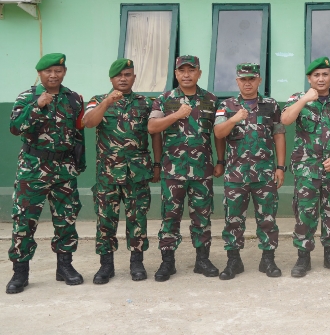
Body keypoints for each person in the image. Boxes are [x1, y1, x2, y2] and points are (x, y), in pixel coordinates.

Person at [6, 53, 85, 294]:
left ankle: (65, 267)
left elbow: (78, 135)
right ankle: (20, 273)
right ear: (40, 73)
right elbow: (14, 127)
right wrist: (38, 106)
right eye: (48, 71)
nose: (53, 75)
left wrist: (78, 164)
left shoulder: (73, 99)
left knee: (67, 219)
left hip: (64, 170)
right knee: (24, 220)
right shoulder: (27, 97)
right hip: (33, 169)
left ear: (64, 72)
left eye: (58, 71)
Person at [83, 58, 162, 284]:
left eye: (128, 75)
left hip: (137, 174)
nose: (123, 79)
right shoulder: (97, 100)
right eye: (119, 75)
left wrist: (157, 164)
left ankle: (136, 263)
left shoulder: (146, 103)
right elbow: (89, 122)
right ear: (111, 79)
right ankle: (106, 265)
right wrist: (107, 102)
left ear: (134, 77)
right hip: (108, 174)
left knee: (138, 218)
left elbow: (156, 134)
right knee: (105, 219)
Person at [148, 55, 224, 281]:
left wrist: (220, 160)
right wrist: (176, 115)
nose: (187, 74)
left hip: (202, 170)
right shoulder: (164, 99)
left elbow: (217, 134)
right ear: (176, 73)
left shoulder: (211, 100)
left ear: (199, 73)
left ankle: (202, 260)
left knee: (202, 216)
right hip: (173, 170)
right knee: (170, 217)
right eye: (182, 70)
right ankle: (167, 262)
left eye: (192, 70)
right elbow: (153, 128)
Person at [281, 56, 330, 278]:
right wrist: (304, 100)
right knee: (305, 212)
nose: (321, 79)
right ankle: (303, 257)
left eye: (325, 75)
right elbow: (285, 120)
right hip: (306, 169)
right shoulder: (297, 99)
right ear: (309, 78)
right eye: (316, 75)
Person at [214, 63, 286, 280]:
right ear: (237, 81)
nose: (247, 83)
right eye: (243, 79)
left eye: (251, 79)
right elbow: (218, 133)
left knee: (267, 218)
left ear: (259, 80)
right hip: (236, 175)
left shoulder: (271, 105)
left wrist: (280, 168)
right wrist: (235, 118)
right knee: (233, 219)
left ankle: (268, 260)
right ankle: (233, 261)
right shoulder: (226, 106)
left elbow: (279, 136)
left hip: (265, 174)